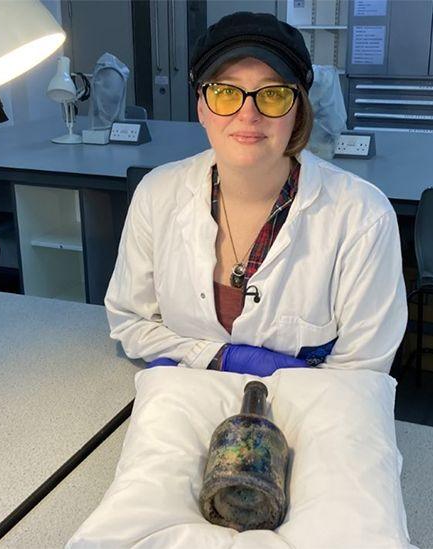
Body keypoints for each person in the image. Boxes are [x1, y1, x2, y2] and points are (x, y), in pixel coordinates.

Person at [105, 12, 406, 377]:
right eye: (226, 91)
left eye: (274, 94)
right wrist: (221, 358)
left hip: (306, 419)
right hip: (185, 405)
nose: (248, 113)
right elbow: (130, 320)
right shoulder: (156, 194)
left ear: (298, 110)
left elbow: (362, 372)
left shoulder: (362, 217)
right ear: (201, 106)